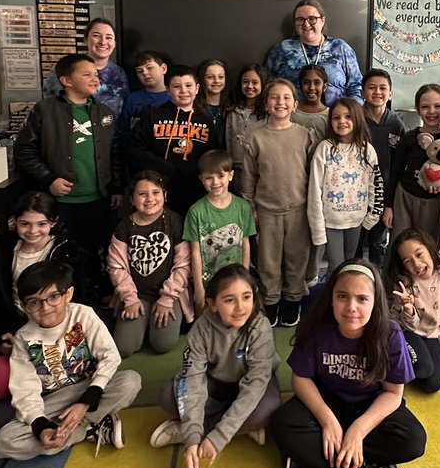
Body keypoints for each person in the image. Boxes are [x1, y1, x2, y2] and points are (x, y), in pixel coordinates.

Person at [269, 260, 425, 468]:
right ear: (331, 298)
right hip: (325, 401)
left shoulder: (390, 334)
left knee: (413, 441)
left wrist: (358, 431)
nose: (351, 307)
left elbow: (393, 393)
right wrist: (329, 422)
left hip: (369, 405)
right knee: (281, 423)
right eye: (342, 296)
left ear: (375, 303)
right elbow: (301, 378)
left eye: (362, 299)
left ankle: (315, 456)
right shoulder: (316, 328)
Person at [0, 259, 141, 461]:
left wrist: (85, 404)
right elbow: (24, 388)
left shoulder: (83, 315)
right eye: (34, 302)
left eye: (53, 297)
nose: (45, 308)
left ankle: (80, 423)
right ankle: (89, 428)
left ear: (67, 294)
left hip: (89, 388)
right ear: (23, 306)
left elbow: (110, 357)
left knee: (130, 381)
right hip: (54, 401)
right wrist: (41, 427)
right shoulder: (23, 338)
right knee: (2, 443)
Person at [149, 265, 281, 468]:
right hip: (216, 384)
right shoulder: (201, 329)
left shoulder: (260, 326)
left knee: (269, 409)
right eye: (229, 300)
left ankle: (196, 428)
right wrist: (193, 439)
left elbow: (255, 386)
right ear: (212, 304)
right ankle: (232, 429)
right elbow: (192, 379)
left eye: (246, 297)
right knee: (167, 395)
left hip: (250, 387)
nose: (240, 307)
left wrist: (219, 437)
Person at [15, 53, 122, 275]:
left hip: (98, 200)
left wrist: (117, 187)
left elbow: (115, 153)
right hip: (60, 202)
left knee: (94, 254)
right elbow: (24, 151)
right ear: (66, 80)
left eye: (96, 75)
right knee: (62, 256)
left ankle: (91, 298)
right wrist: (49, 178)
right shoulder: (44, 110)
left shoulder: (105, 113)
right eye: (87, 74)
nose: (95, 79)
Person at [0, 192, 90, 401]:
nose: (33, 231)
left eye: (41, 224)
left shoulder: (67, 254)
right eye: (25, 224)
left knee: (62, 382)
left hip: (57, 331)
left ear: (53, 222)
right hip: (18, 329)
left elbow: (81, 301)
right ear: (15, 222)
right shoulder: (6, 253)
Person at [242, 78, 315, 327]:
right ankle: (270, 302)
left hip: (298, 209)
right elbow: (249, 177)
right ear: (266, 102)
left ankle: (292, 302)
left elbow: (312, 176)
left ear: (295, 104)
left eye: (286, 97)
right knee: (268, 261)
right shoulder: (255, 137)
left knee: (296, 259)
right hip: (266, 211)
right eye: (274, 97)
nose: (280, 102)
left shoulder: (306, 135)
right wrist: (251, 209)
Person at [107, 171, 192, 356]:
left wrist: (167, 298)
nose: (149, 199)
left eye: (155, 192)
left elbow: (184, 264)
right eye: (142, 194)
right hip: (137, 296)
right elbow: (116, 266)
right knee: (124, 348)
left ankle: (150, 324)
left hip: (168, 295)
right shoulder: (124, 227)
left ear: (165, 195)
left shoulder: (175, 221)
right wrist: (130, 299)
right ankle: (141, 323)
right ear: (132, 199)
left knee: (163, 345)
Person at [126, 64, 215, 216]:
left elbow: (212, 157)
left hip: (192, 191)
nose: (184, 91)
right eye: (177, 86)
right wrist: (162, 167)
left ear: (197, 88)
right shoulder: (152, 117)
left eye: (188, 85)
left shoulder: (206, 122)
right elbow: (134, 148)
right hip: (156, 191)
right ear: (168, 90)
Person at [386, 228, 440, 392]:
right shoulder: (404, 283)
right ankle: (389, 358)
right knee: (422, 368)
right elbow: (406, 325)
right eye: (407, 261)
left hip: (430, 333)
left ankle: (407, 360)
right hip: (404, 330)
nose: (416, 264)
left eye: (419, 254)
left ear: (430, 250)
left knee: (433, 384)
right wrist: (408, 309)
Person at [308, 98, 383, 273]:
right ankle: (331, 299)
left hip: (357, 220)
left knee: (351, 265)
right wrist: (317, 227)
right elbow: (314, 190)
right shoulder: (325, 149)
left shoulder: (367, 150)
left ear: (357, 118)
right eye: (336, 117)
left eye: (348, 116)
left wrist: (372, 216)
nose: (342, 121)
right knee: (336, 267)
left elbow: (375, 184)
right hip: (331, 221)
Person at [184, 150, 256, 307]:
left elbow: (246, 244)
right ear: (201, 180)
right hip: (208, 283)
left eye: (220, 176)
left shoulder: (242, 207)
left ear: (230, 176)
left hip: (236, 281)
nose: (215, 182)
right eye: (209, 178)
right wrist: (198, 287)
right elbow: (194, 252)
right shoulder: (196, 211)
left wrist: (245, 278)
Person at [385, 84, 440, 245]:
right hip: (404, 197)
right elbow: (395, 172)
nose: (432, 111)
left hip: (434, 202)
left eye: (437, 106)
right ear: (417, 109)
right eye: (425, 107)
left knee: (428, 245)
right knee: (400, 244)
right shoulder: (409, 137)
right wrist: (388, 206)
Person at [265, 0, 363, 105]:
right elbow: (268, 86)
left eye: (312, 19)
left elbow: (356, 86)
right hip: (290, 117)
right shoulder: (281, 50)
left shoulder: (341, 48)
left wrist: (351, 114)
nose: (306, 24)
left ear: (322, 20)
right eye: (300, 19)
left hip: (335, 118)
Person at [359, 69, 406, 264]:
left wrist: (390, 204)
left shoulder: (397, 125)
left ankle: (377, 288)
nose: (377, 92)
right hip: (356, 193)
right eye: (371, 88)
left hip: (384, 196)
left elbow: (400, 166)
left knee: (378, 245)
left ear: (391, 93)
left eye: (383, 88)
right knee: (355, 245)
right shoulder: (355, 120)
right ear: (362, 93)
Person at [41, 18, 129, 117]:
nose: (103, 42)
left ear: (114, 44)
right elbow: (50, 105)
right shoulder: (65, 67)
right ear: (86, 40)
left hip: (110, 130)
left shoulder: (118, 74)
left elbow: (124, 110)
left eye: (108, 37)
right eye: (96, 36)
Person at [225, 63, 266, 180]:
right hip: (236, 169)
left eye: (255, 82)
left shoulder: (267, 112)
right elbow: (227, 141)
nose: (249, 86)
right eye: (245, 81)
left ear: (262, 84)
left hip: (259, 169)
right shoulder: (232, 111)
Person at [119, 50, 171, 138]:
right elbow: (124, 131)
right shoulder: (132, 99)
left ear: (163, 68)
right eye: (139, 71)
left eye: (150, 68)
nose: (145, 73)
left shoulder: (175, 96)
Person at [196, 58, 229, 148]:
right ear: (202, 79)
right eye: (210, 77)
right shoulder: (194, 108)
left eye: (221, 77)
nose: (216, 81)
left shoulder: (231, 107)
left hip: (226, 159)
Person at [291, 63, 330, 140]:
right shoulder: (292, 112)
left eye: (317, 83)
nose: (311, 87)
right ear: (300, 86)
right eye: (306, 83)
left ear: (324, 87)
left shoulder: (330, 115)